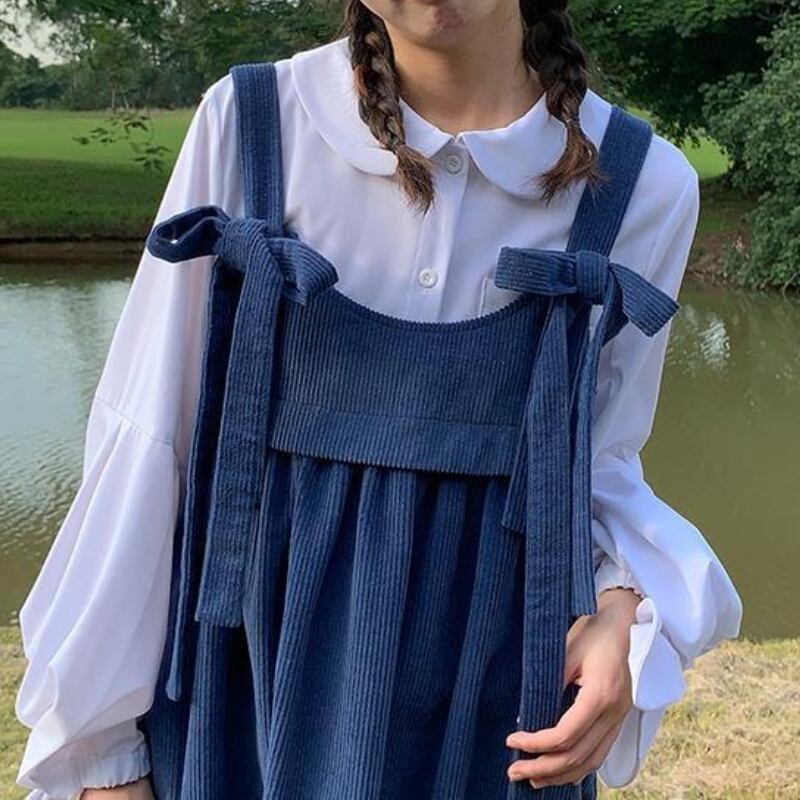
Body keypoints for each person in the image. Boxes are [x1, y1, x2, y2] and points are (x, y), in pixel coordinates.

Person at [15, 2, 743, 799]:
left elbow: (601, 457)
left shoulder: (643, 185)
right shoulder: (253, 124)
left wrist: (623, 606)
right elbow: (151, 435)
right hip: (248, 685)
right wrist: (102, 754)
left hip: (495, 713)